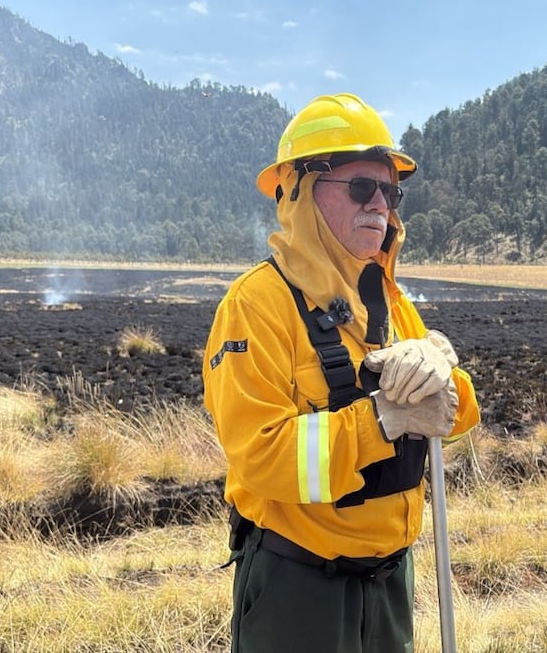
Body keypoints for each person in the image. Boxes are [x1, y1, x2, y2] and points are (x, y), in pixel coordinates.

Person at [202, 92, 481, 652]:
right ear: (301, 191)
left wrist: (443, 379)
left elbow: (456, 417)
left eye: (390, 189)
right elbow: (261, 458)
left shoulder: (387, 299)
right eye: (361, 187)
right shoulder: (256, 306)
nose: (380, 203)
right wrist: (381, 419)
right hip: (300, 592)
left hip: (389, 585)